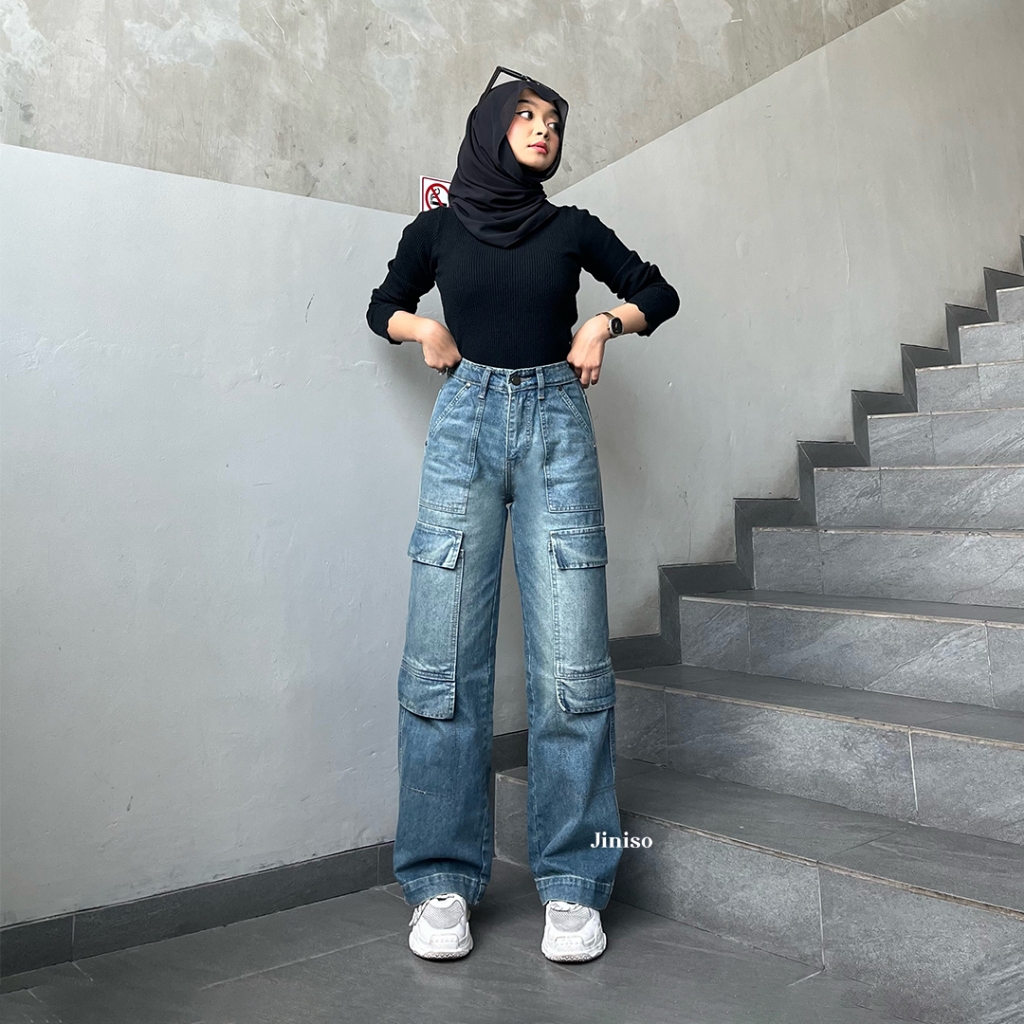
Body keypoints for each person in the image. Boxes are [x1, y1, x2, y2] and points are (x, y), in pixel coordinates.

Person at [365, 67, 680, 963]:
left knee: (573, 667)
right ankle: (440, 880)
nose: (543, 130)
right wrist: (424, 331)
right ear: (491, 127)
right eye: (526, 116)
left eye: (553, 122)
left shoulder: (570, 228)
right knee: (442, 664)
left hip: (556, 428)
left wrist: (603, 324)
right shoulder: (437, 230)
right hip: (464, 425)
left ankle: (575, 883)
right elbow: (383, 306)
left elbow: (658, 290)